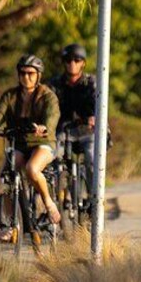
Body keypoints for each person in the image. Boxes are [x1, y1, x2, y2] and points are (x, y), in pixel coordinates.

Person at [0, 54, 61, 233]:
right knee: (5, 175)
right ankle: (11, 225)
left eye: (30, 73)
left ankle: (48, 202)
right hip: (20, 143)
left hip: (43, 142)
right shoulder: (10, 95)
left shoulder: (48, 96)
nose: (26, 77)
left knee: (32, 169)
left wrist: (44, 127)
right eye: (22, 73)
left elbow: (52, 116)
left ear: (38, 75)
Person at [47, 43, 96, 193]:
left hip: (88, 131)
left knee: (91, 159)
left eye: (77, 60)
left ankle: (95, 195)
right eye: (68, 60)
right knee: (52, 157)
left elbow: (100, 104)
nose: (72, 64)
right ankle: (58, 197)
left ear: (83, 63)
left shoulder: (92, 82)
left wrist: (94, 117)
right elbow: (47, 105)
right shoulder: (54, 84)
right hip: (64, 131)